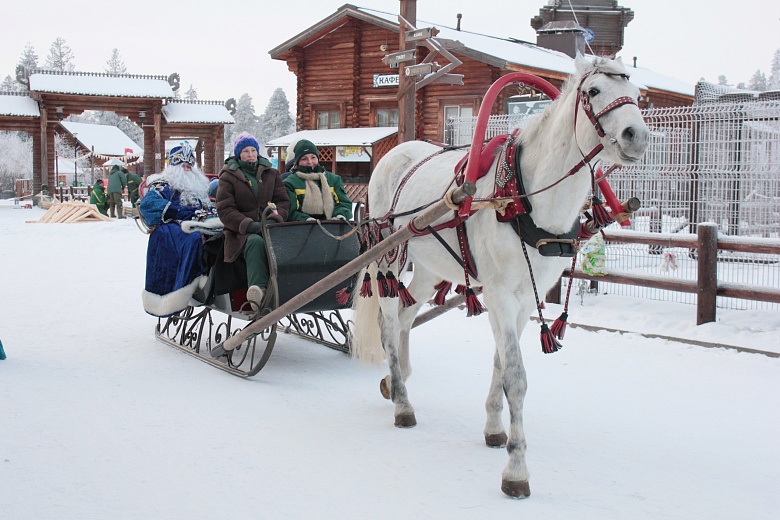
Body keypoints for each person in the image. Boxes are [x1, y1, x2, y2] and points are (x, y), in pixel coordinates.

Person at [139, 143, 221, 317]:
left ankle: (217, 278)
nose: (188, 169)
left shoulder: (201, 187)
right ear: (174, 167)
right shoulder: (164, 184)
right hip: (175, 226)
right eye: (183, 165)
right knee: (194, 239)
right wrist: (183, 212)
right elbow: (149, 206)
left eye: (190, 165)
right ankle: (188, 283)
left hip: (207, 222)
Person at [216, 132, 289, 311]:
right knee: (256, 242)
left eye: (253, 150)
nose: (250, 154)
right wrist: (248, 225)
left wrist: (275, 218)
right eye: (246, 151)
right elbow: (225, 209)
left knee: (286, 241)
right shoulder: (228, 176)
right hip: (239, 233)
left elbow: (283, 201)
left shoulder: (271, 173)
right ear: (238, 154)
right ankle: (259, 291)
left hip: (270, 226)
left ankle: (288, 288)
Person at [283, 139, 352, 222]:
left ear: (318, 158)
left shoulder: (333, 180)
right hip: (302, 230)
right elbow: (291, 211)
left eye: (313, 157)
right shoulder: (290, 183)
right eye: (304, 159)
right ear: (297, 162)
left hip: (333, 228)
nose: (310, 162)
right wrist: (306, 220)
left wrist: (340, 215)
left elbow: (344, 204)